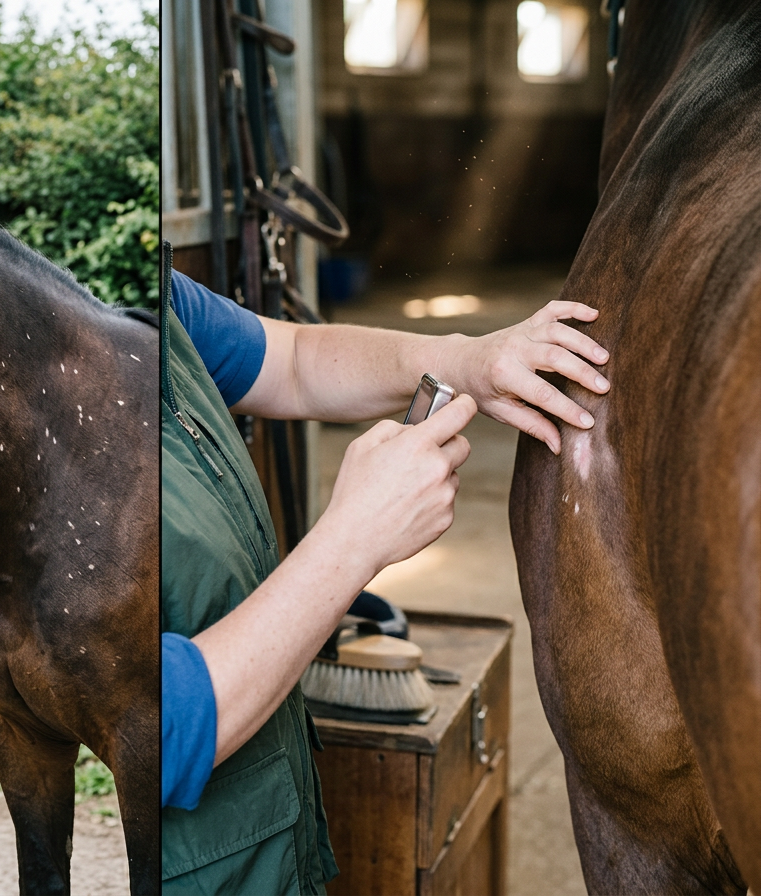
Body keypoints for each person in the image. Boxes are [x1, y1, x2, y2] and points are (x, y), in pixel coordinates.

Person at [160, 247, 610, 893]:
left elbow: (292, 362)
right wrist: (352, 541)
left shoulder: (161, 303)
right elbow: (166, 730)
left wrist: (467, 361)